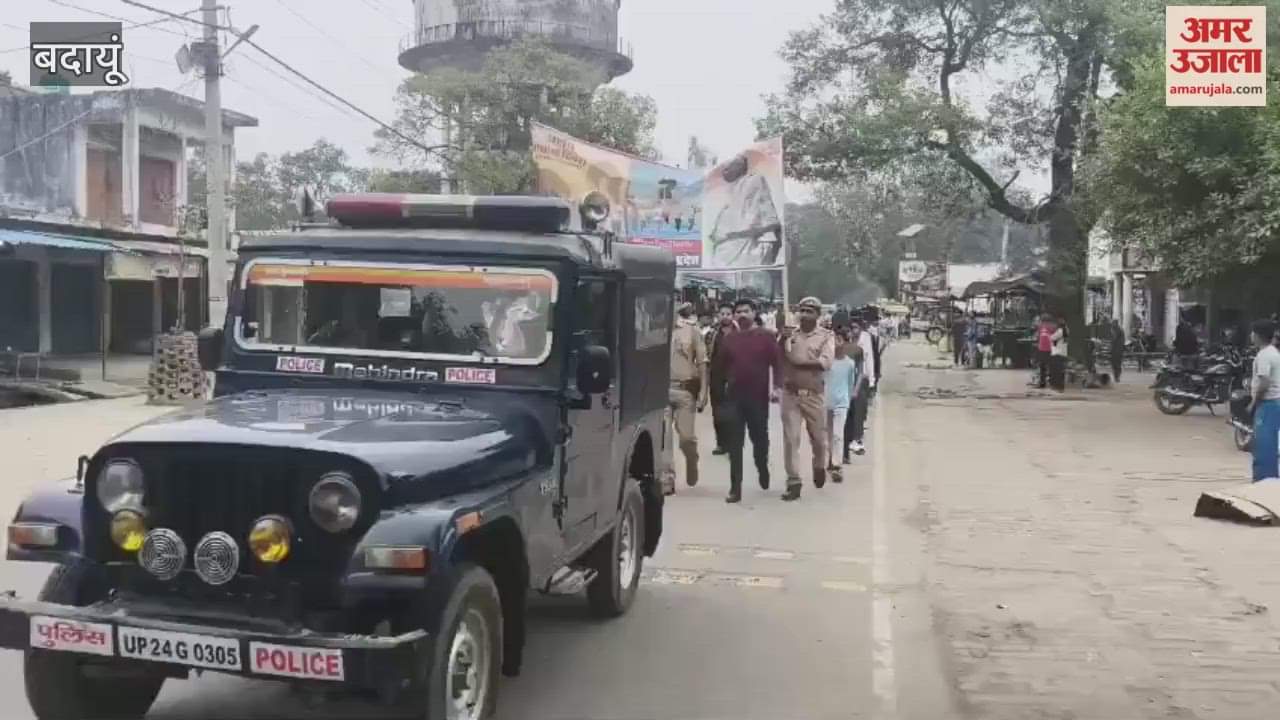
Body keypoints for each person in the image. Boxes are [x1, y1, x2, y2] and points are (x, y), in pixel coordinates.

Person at [718, 298, 783, 503]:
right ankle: (735, 487)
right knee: (735, 445)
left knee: (759, 439)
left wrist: (776, 388)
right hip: (734, 399)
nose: (741, 314)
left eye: (746, 311)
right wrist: (719, 397)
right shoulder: (729, 340)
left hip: (758, 398)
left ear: (754, 313)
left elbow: (777, 364)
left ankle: (762, 467)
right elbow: (719, 369)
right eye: (738, 311)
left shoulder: (766, 337)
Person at [780, 296, 836, 501]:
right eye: (802, 310)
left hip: (813, 395)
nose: (804, 315)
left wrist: (798, 362)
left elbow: (825, 362)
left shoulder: (826, 336)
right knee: (791, 439)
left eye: (809, 311)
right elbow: (779, 356)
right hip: (790, 395)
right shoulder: (790, 334)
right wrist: (780, 339)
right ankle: (793, 481)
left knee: (819, 440)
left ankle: (819, 465)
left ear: (817, 315)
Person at [664, 302, 709, 494]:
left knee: (686, 438)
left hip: (684, 391)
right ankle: (667, 478)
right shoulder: (653, 330)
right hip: (660, 392)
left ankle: (692, 458)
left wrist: (703, 392)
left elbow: (702, 362)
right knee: (663, 438)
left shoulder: (691, 331)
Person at [1249, 320, 1280, 481]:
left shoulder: (1264, 355)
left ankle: (1263, 482)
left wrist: (1254, 403)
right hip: (1275, 403)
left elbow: (1265, 382)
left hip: (1268, 404)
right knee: (1271, 444)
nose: (1251, 335)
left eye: (1252, 332)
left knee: (1264, 446)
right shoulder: (1272, 352)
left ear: (1258, 335)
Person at [826, 333, 859, 483]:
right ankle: (830, 460)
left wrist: (849, 396)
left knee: (838, 435)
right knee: (828, 435)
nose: (837, 343)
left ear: (844, 343)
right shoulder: (826, 362)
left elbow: (850, 383)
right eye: (834, 340)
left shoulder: (850, 364)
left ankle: (837, 465)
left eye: (840, 340)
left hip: (842, 403)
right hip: (826, 402)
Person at [707, 302, 736, 456]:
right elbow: (706, 355)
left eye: (728, 314)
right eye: (722, 314)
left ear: (733, 316)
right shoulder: (711, 334)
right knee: (717, 412)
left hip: (734, 378)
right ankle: (721, 443)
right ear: (718, 316)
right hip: (716, 378)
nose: (725, 316)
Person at [844, 320, 875, 458]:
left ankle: (857, 438)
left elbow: (869, 361)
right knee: (848, 413)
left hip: (861, 380)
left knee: (859, 412)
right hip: (846, 381)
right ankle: (849, 439)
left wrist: (872, 381)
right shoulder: (845, 344)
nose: (854, 331)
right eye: (852, 328)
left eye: (856, 328)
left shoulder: (866, 339)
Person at [1049, 316, 1068, 391]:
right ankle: (1060, 385)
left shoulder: (1060, 331)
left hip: (1058, 351)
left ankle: (1058, 386)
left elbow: (1052, 338)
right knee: (1061, 369)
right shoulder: (1066, 329)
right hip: (1063, 351)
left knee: (1057, 370)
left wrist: (1052, 333)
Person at [1035, 314, 1055, 389]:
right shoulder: (1053, 326)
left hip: (1042, 349)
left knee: (1042, 366)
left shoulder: (1040, 326)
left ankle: (1042, 382)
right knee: (1050, 366)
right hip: (1050, 348)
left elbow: (1037, 336)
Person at [1109, 318, 1125, 382]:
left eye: (1113, 323)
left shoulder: (1118, 329)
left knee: (1116, 364)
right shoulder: (1117, 329)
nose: (1112, 324)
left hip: (1117, 350)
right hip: (1116, 349)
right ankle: (1116, 377)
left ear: (1115, 323)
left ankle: (1117, 377)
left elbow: (1114, 338)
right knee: (1115, 364)